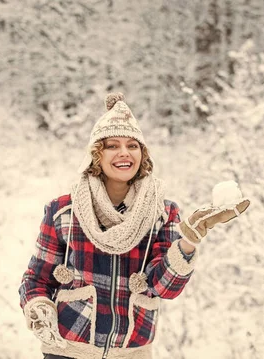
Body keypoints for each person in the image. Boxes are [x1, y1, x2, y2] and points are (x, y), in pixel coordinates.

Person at [18, 93, 250, 359]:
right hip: (68, 351)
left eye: (132, 145)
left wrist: (189, 241)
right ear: (97, 153)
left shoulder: (161, 213)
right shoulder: (64, 212)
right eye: (112, 145)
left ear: (142, 154)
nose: (124, 153)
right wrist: (38, 308)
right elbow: (36, 279)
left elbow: (164, 288)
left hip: (132, 352)